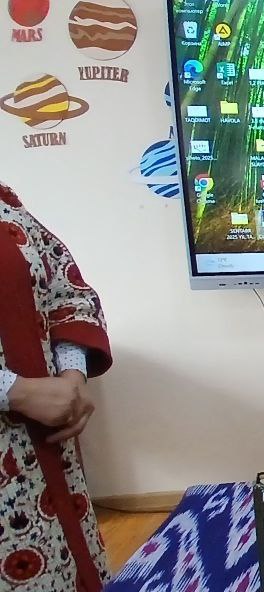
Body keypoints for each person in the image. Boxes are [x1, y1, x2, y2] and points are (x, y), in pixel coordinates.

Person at [0, 182, 112, 590]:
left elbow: (65, 291)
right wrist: (13, 390)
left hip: (46, 454)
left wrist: (72, 376)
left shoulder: (5, 204)